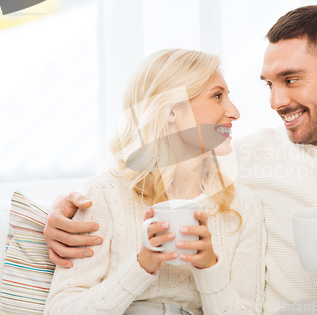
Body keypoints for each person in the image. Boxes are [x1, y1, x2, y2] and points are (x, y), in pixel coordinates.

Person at [44, 5, 317, 315]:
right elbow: (145, 162)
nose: (276, 101)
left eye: (291, 80)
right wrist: (59, 212)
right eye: (268, 84)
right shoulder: (247, 155)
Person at [43, 49, 265, 315]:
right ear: (173, 111)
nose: (234, 111)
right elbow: (60, 310)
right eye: (217, 96)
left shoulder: (242, 206)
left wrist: (208, 267)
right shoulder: (104, 194)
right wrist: (140, 266)